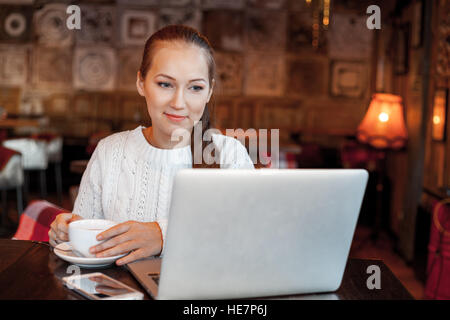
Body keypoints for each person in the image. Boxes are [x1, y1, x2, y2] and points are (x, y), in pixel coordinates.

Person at [48, 25, 254, 265]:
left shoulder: (230, 155)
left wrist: (162, 236)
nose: (179, 102)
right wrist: (65, 233)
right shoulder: (109, 152)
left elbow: (248, 239)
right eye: (165, 84)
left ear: (209, 92)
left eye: (195, 88)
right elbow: (85, 241)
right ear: (141, 83)